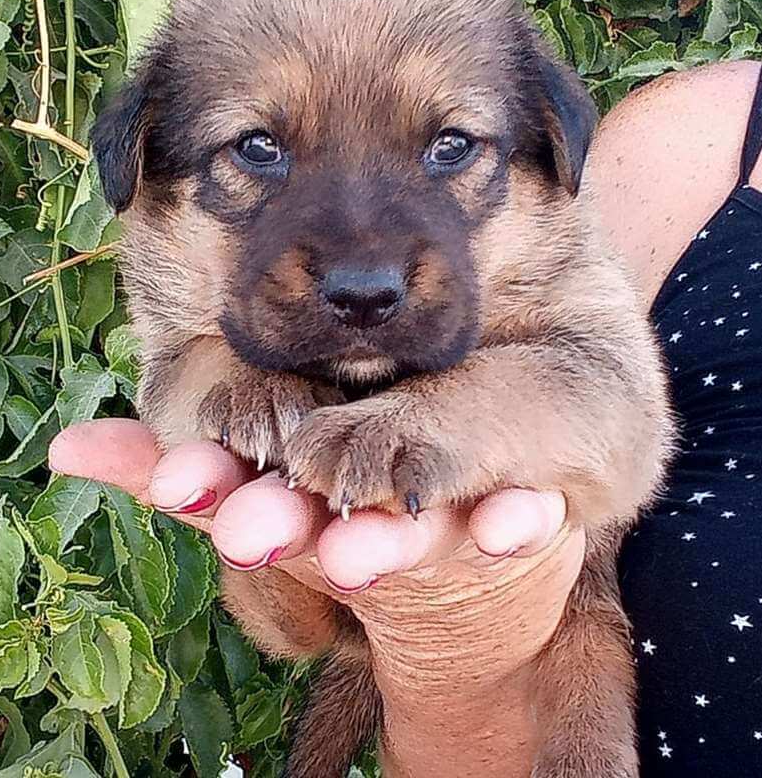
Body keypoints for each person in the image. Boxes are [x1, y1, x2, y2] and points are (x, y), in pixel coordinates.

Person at [50, 60, 762, 776]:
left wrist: (456, 421)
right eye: (259, 151)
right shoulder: (691, 142)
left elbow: (594, 393)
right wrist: (440, 649)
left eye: (448, 148)